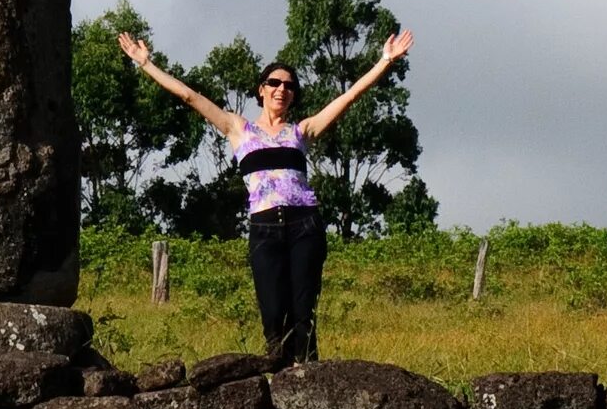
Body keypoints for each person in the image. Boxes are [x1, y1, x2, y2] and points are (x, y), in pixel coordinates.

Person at [118, 25, 415, 367]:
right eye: (274, 83)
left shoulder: (301, 131)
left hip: (304, 224)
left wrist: (384, 61)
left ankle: (309, 384)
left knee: (303, 314)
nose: (281, 89)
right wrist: (145, 64)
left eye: (289, 86)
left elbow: (347, 98)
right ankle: (279, 385)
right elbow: (189, 96)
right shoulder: (238, 128)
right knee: (273, 314)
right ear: (261, 90)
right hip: (264, 228)